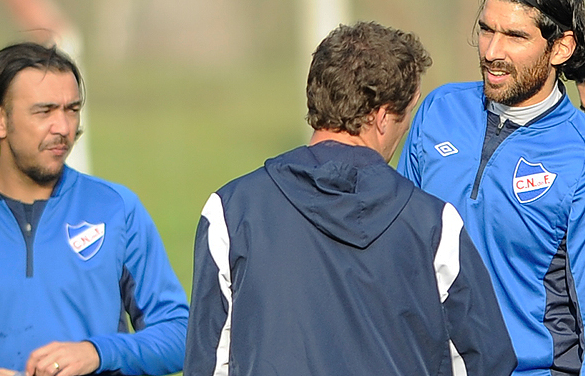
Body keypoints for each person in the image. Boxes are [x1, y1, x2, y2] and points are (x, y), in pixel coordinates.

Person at [184, 21, 516, 375]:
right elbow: (486, 359)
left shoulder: (233, 211)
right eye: (407, 115)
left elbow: (208, 361)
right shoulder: (433, 225)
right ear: (384, 117)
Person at [0, 42, 189, 376]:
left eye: (71, 109)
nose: (63, 127)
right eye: (44, 111)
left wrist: (98, 353)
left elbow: (182, 335)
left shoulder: (116, 209)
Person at [398, 0, 585, 375]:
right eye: (486, 30)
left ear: (561, 47)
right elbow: (396, 247)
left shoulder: (579, 153)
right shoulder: (439, 111)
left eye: (515, 36)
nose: (493, 52)